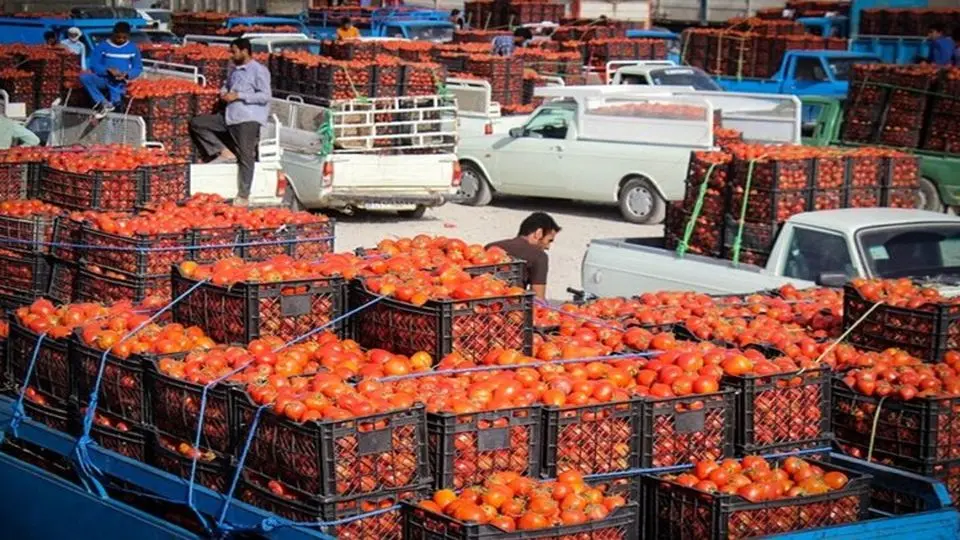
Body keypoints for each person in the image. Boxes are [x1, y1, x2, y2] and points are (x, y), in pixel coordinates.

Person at [189, 38, 271, 208]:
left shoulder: (259, 71)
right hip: (229, 117)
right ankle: (223, 151)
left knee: (246, 156)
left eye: (234, 51)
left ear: (245, 51)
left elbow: (265, 96)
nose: (231, 55)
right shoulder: (234, 71)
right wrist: (224, 93)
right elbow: (226, 86)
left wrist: (239, 96)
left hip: (247, 119)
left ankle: (243, 195)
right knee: (198, 123)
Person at [486, 212, 561, 299]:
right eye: (549, 240)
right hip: (513, 306)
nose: (548, 247)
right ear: (538, 233)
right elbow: (538, 299)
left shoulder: (491, 247)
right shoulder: (539, 256)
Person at [80, 22, 142, 118]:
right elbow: (94, 65)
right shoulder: (102, 46)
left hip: (121, 82)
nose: (121, 40)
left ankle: (113, 111)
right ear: (113, 34)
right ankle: (103, 102)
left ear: (128, 36)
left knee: (116, 105)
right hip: (104, 79)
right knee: (85, 78)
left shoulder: (133, 48)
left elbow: (138, 68)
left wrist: (127, 74)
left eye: (124, 38)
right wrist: (107, 70)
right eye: (118, 37)